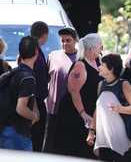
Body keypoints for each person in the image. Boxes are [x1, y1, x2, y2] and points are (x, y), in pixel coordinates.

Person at [54, 33, 103, 159]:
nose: (101, 49)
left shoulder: (97, 61)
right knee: (75, 151)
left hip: (89, 113)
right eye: (99, 46)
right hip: (74, 115)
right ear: (92, 48)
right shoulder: (80, 65)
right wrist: (83, 114)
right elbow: (74, 91)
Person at [86, 53, 131, 161]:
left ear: (111, 69)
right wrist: (91, 132)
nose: (99, 67)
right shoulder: (101, 85)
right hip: (103, 139)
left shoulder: (124, 84)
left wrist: (120, 109)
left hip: (121, 138)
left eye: (102, 65)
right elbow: (98, 110)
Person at [0, 36, 40, 151]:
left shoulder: (12, 73)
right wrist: (35, 116)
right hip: (17, 134)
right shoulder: (28, 78)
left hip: (4, 130)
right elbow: (21, 108)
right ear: (36, 52)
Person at [42, 27, 78, 152]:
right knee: (48, 145)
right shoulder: (53, 56)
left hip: (72, 110)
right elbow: (45, 79)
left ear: (75, 40)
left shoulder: (80, 58)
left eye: (68, 40)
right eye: (62, 40)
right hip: (52, 108)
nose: (65, 43)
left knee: (66, 146)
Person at [30, 21, 50, 152]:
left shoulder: (37, 49)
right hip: (34, 102)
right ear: (45, 34)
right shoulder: (33, 51)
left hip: (37, 100)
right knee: (36, 140)